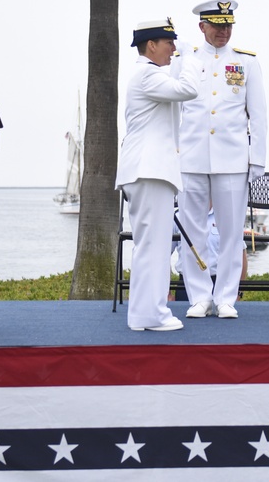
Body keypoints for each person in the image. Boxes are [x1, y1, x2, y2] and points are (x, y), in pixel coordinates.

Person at [175, 0, 267, 320]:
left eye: (228, 25)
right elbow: (174, 114)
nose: (223, 32)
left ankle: (226, 297)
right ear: (202, 27)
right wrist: (172, 157)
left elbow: (258, 116)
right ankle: (199, 296)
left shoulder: (246, 63)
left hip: (232, 159)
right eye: (216, 25)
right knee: (193, 230)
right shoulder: (184, 61)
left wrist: (257, 160)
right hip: (191, 158)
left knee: (231, 233)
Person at [116, 18, 200, 332]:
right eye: (169, 43)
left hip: (149, 170)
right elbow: (189, 89)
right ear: (152, 45)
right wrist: (191, 59)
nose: (174, 49)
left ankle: (144, 314)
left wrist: (181, 62)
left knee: (149, 245)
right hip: (149, 171)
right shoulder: (147, 74)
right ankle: (151, 314)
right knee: (153, 245)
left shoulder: (149, 75)